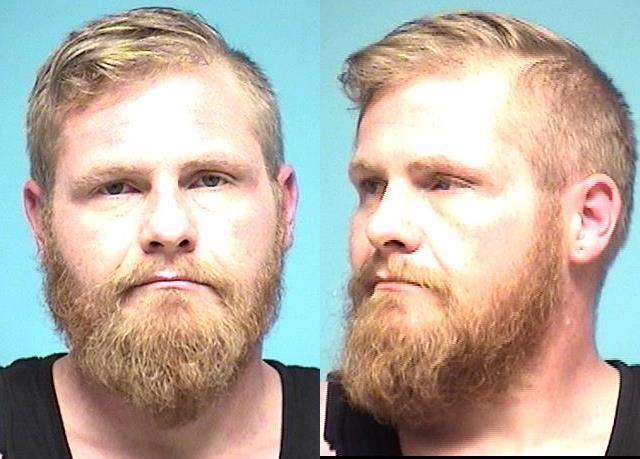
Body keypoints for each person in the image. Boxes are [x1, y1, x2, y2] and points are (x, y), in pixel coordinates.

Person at [0, 7, 318, 458]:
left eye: (210, 180)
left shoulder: (366, 433)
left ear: (285, 207)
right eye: (115, 188)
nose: (168, 228)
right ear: (40, 222)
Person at [321, 11, 638, 456]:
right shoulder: (307, 431)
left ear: (588, 220)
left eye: (443, 183)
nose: (381, 226)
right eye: (372, 186)